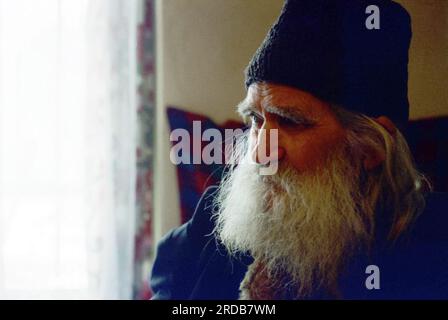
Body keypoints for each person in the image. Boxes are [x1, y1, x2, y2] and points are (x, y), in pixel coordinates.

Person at [150, 0, 448, 299]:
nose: (259, 153)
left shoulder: (435, 252)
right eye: (255, 119)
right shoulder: (209, 225)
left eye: (291, 122)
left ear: (369, 149)